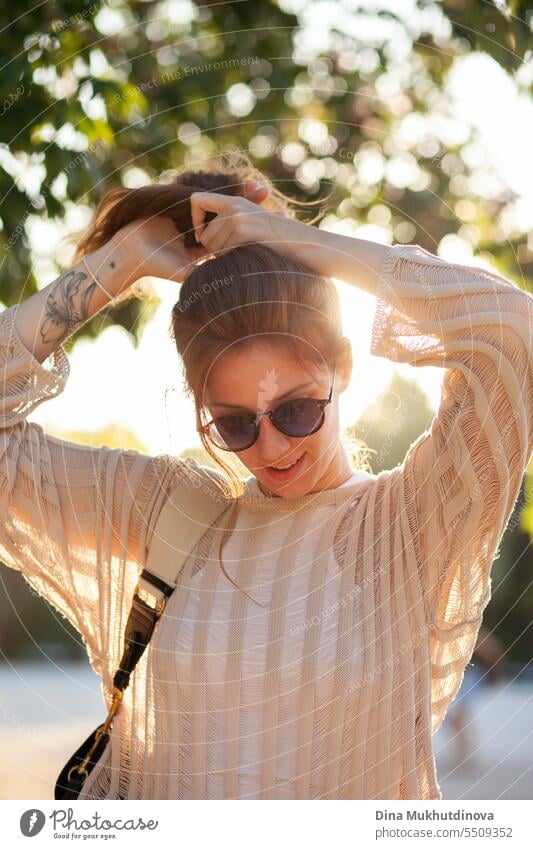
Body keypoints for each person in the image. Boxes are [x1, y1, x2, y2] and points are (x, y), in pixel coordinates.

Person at [0, 149, 531, 801]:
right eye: (234, 424)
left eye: (297, 408)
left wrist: (294, 240)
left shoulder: (410, 521)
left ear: (342, 370)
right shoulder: (170, 513)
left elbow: (513, 334)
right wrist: (119, 263)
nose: (271, 445)